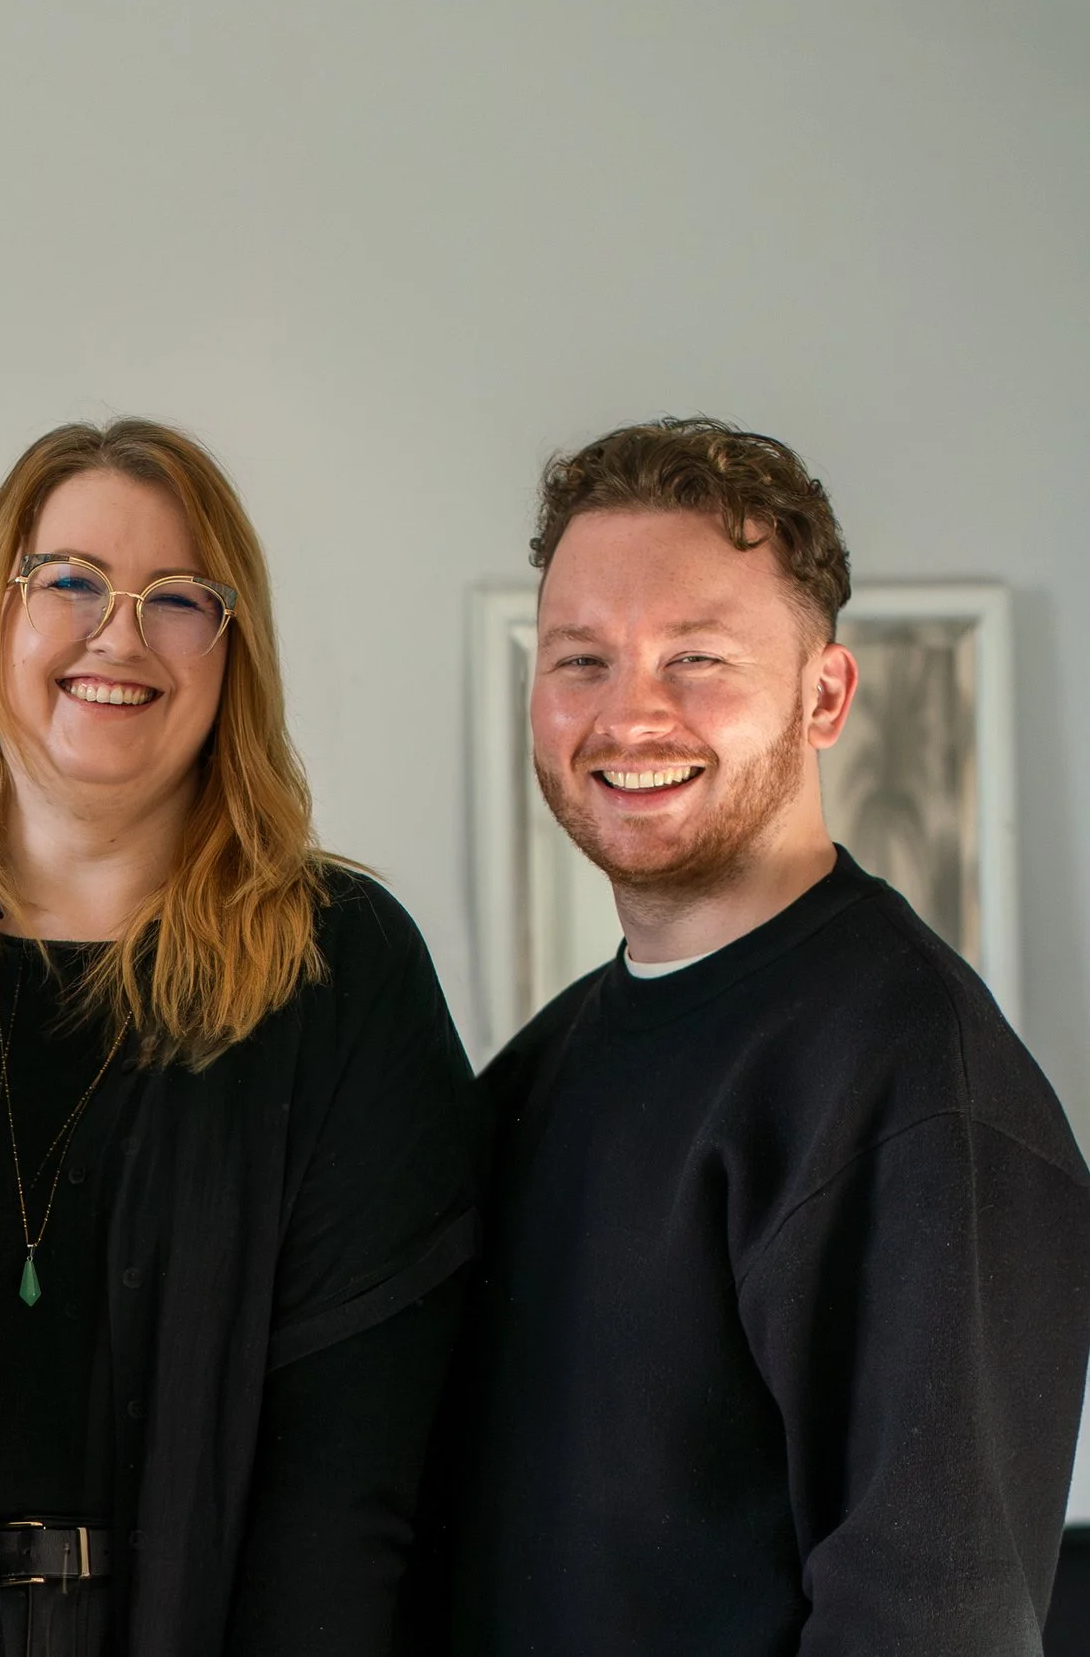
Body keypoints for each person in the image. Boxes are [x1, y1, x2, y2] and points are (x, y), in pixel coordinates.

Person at [0, 418, 488, 1656]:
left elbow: (355, 1476)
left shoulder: (341, 967)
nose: (120, 633)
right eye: (72, 580)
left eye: (178, 598)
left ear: (229, 657)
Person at [450, 418, 1090, 1653]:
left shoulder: (920, 1089)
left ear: (824, 696)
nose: (630, 715)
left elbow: (930, 1625)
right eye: (581, 658)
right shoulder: (545, 1069)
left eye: (696, 657)